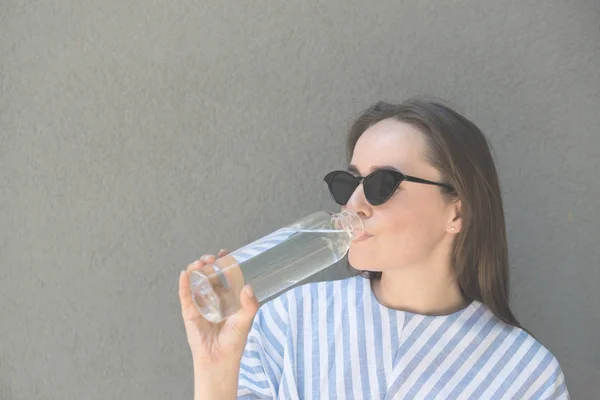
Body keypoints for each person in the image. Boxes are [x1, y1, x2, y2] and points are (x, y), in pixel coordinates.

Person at [179, 98, 570, 399]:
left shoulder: (524, 373)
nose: (354, 205)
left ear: (457, 211)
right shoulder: (290, 319)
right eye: (348, 184)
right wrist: (214, 368)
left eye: (383, 184)